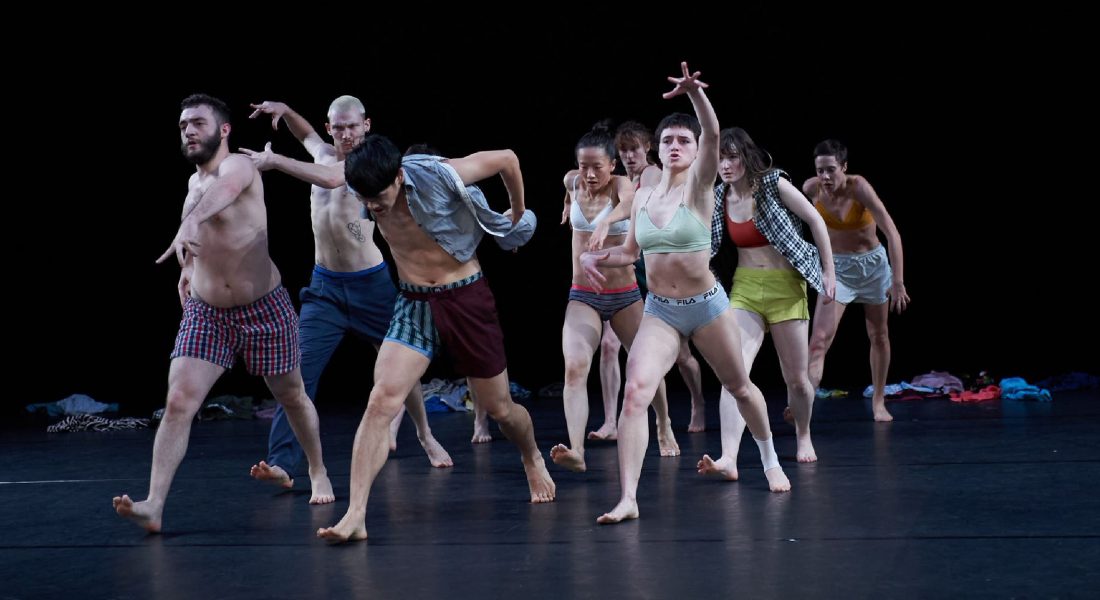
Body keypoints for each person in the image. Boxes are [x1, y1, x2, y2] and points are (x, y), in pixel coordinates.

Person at [317, 134, 555, 543]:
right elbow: (323, 177)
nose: (373, 206)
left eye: (379, 196)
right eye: (365, 198)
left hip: (465, 297)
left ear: (398, 175)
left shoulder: (438, 174)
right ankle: (355, 515)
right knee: (380, 402)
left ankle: (532, 456)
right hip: (414, 304)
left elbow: (508, 158)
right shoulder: (366, 188)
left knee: (500, 410)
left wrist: (515, 218)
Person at [113, 94, 334, 533]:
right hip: (207, 313)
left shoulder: (239, 168)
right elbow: (198, 239)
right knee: (177, 402)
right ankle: (154, 504)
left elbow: (223, 195)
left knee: (291, 396)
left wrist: (190, 224)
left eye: (197, 122)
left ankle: (316, 469)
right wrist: (188, 270)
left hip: (264, 308)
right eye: (182, 126)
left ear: (224, 130)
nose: (189, 131)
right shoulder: (191, 187)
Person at [581, 63, 790, 525]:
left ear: (696, 153)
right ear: (657, 150)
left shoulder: (699, 188)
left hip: (707, 308)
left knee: (740, 387)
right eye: (668, 141)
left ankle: (770, 458)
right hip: (660, 310)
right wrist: (597, 258)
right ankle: (629, 499)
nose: (675, 147)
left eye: (684, 142)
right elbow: (631, 253)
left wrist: (695, 95)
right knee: (635, 393)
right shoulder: (642, 198)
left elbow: (713, 133)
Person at [240, 98, 452, 493]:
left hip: (371, 284)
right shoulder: (323, 152)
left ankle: (423, 434)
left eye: (352, 126)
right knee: (296, 376)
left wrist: (274, 163)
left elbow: (334, 178)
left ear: (366, 124)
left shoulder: (366, 165)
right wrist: (285, 112)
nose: (346, 134)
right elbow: (307, 136)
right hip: (325, 289)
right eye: (338, 128)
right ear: (331, 127)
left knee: (400, 367)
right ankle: (283, 463)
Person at [550, 122, 679, 473]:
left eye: (597, 167)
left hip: (624, 296)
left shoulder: (621, 186)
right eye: (583, 166)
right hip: (584, 295)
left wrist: (607, 223)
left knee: (646, 368)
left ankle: (664, 424)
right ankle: (576, 448)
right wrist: (566, 205)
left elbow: (629, 203)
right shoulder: (572, 182)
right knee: (575, 366)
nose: (589, 175)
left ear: (612, 165)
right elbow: (568, 187)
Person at [703, 127, 835, 471]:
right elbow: (705, 244)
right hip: (745, 287)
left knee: (797, 380)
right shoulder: (719, 197)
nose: (726, 165)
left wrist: (829, 273)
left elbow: (816, 221)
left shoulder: (773, 184)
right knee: (734, 373)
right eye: (719, 159)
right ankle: (728, 457)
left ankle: (803, 433)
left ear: (746, 156)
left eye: (732, 157)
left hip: (787, 287)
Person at [803, 139, 909, 421]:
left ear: (844, 167)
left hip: (872, 267)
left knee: (879, 335)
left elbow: (892, 233)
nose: (825, 177)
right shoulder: (810, 189)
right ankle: (805, 403)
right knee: (818, 341)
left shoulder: (859, 187)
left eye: (831, 170)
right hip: (837, 269)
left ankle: (878, 401)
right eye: (820, 170)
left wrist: (897, 281)